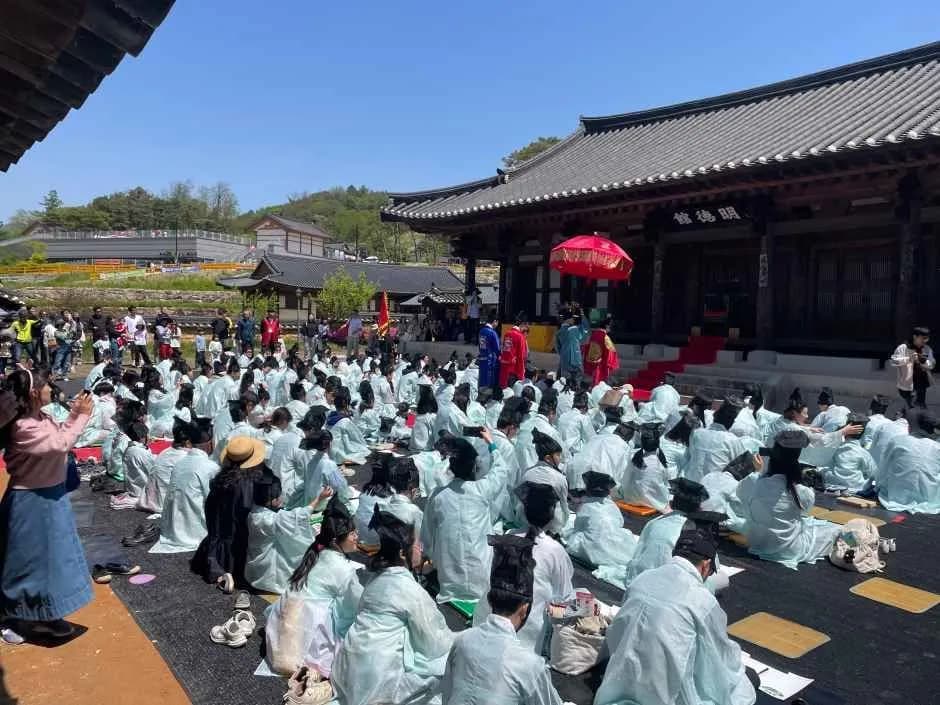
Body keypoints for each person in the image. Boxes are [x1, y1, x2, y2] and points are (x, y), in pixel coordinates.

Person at [596, 518, 756, 705]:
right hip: (665, 694)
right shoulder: (702, 600)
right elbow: (720, 656)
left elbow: (618, 632)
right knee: (746, 682)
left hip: (620, 682)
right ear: (705, 565)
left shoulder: (642, 579)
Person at [0, 368, 93, 640]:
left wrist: (75, 414)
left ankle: (47, 613)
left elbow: (60, 435)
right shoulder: (22, 426)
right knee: (24, 564)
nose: (51, 388)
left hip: (51, 497)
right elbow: (58, 445)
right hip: (30, 501)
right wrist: (83, 416)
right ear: (32, 393)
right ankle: (11, 617)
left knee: (54, 562)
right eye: (45, 385)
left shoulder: (41, 417)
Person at [332, 507, 454, 705]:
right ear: (402, 553)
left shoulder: (370, 577)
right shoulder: (409, 590)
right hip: (377, 680)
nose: (421, 549)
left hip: (346, 668)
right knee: (444, 667)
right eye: (416, 545)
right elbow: (436, 641)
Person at [442, 533, 564, 705]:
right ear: (524, 609)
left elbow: (447, 694)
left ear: (490, 600)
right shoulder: (530, 665)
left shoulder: (462, 640)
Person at [263, 495, 362, 681]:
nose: (357, 537)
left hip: (283, 620)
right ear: (336, 540)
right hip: (305, 628)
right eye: (352, 534)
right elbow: (353, 606)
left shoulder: (318, 552)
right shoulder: (343, 568)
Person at [473, 481, 574, 657]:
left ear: (525, 512)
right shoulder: (555, 550)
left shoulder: (508, 536)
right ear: (551, 516)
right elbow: (564, 597)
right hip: (527, 637)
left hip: (490, 619)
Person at [422, 434, 511, 603]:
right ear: (474, 467)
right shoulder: (482, 489)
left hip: (448, 581)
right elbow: (500, 469)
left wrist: (430, 558)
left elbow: (427, 537)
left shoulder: (437, 496)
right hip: (482, 581)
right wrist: (491, 443)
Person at [736, 430, 842, 569]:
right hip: (788, 549)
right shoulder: (801, 492)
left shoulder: (753, 481)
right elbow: (805, 511)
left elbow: (741, 492)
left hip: (757, 543)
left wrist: (758, 472)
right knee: (833, 530)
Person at [191, 437, 266, 592]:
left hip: (218, 537)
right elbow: (248, 514)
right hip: (240, 543)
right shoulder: (248, 482)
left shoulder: (220, 479)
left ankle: (220, 573)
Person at [244, 468, 328, 594]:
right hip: (268, 572)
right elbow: (298, 516)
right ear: (271, 500)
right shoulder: (269, 519)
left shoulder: (254, 511)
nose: (280, 498)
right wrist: (319, 499)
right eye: (278, 496)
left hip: (255, 567)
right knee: (302, 543)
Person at [150, 421, 219, 554]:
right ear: (210, 444)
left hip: (171, 527)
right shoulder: (210, 467)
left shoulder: (180, 463)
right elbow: (214, 501)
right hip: (193, 529)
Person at [564, 470, 637, 581]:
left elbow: (578, 527)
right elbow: (619, 522)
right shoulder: (612, 505)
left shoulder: (586, 507)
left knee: (574, 536)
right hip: (614, 542)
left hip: (593, 548)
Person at [877, 412, 940, 513]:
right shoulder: (937, 447)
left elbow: (883, 468)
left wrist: (877, 487)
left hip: (896, 496)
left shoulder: (898, 440)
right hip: (929, 499)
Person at [683, 397, 747, 482]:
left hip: (689, 484)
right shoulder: (733, 441)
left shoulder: (696, 433)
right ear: (732, 422)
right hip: (712, 489)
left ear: (715, 415)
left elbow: (689, 458)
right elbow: (741, 470)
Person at [617, 423, 673, 512]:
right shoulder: (659, 462)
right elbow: (666, 481)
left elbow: (625, 480)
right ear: (658, 443)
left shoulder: (634, 458)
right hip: (652, 502)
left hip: (631, 499)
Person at [823, 413, 877, 493]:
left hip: (832, 485)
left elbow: (825, 464)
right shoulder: (863, 453)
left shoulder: (835, 448)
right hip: (856, 489)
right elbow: (873, 474)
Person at [891, 326, 934, 409]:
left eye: (927, 339)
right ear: (915, 336)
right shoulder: (903, 348)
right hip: (906, 385)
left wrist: (923, 362)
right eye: (923, 338)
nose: (925, 341)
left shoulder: (927, 349)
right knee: (911, 408)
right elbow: (894, 361)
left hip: (921, 383)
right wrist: (909, 359)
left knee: (919, 407)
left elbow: (931, 364)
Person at [555, 307, 590, 387]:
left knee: (565, 384)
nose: (573, 320)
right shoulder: (574, 330)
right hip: (576, 361)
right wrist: (582, 315)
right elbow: (586, 330)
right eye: (572, 318)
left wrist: (564, 354)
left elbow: (558, 348)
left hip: (565, 361)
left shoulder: (559, 332)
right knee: (577, 383)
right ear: (569, 319)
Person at [582, 316, 618, 387]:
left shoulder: (594, 334)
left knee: (593, 382)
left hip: (592, 362)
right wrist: (610, 363)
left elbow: (587, 347)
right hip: (601, 364)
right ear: (607, 326)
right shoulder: (605, 337)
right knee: (600, 383)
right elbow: (610, 352)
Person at [498, 313, 528, 389]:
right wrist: (521, 375)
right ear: (522, 324)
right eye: (525, 326)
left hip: (504, 367)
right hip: (513, 371)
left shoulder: (507, 333)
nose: (525, 328)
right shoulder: (520, 336)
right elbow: (521, 357)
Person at [476, 311, 501, 392]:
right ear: (495, 321)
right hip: (490, 362)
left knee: (482, 382)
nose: (497, 325)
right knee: (489, 385)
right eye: (497, 323)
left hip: (482, 359)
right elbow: (497, 349)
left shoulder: (481, 331)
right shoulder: (493, 333)